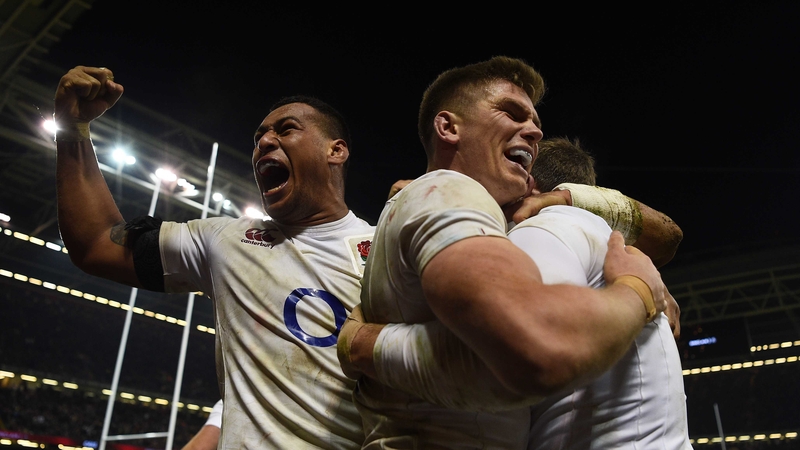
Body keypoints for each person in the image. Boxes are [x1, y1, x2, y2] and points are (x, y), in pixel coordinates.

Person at [341, 56, 672, 449]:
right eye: (512, 113)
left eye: (535, 121)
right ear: (448, 127)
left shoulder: (449, 207)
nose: (534, 130)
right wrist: (637, 289)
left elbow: (669, 236)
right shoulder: (449, 191)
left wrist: (566, 197)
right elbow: (540, 348)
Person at [54, 66, 375, 449]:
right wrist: (72, 130)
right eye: (258, 137)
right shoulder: (226, 239)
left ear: (335, 150)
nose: (265, 141)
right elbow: (95, 244)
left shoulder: (386, 250)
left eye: (286, 129)